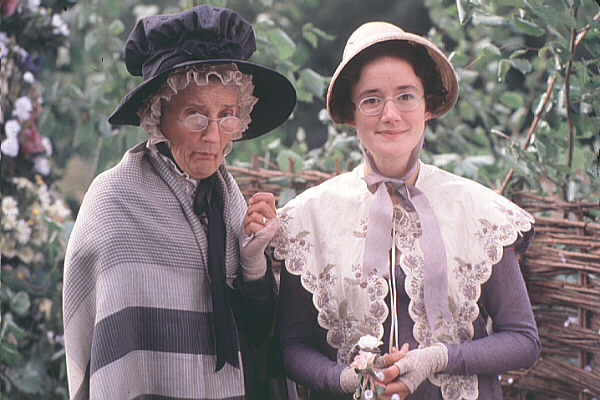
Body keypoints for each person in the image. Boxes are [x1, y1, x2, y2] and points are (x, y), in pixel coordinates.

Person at [271, 22, 540, 399]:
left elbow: (523, 340)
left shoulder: (479, 211)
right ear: (351, 112)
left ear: (427, 106)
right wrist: (343, 379)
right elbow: (291, 345)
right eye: (371, 100)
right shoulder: (309, 218)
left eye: (406, 96)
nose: (391, 114)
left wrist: (440, 358)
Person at [62, 6, 296, 400]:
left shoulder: (230, 203)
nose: (213, 136)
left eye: (227, 115)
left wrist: (253, 262)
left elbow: (257, 336)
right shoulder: (114, 202)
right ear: (158, 116)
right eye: (195, 115)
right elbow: (105, 345)